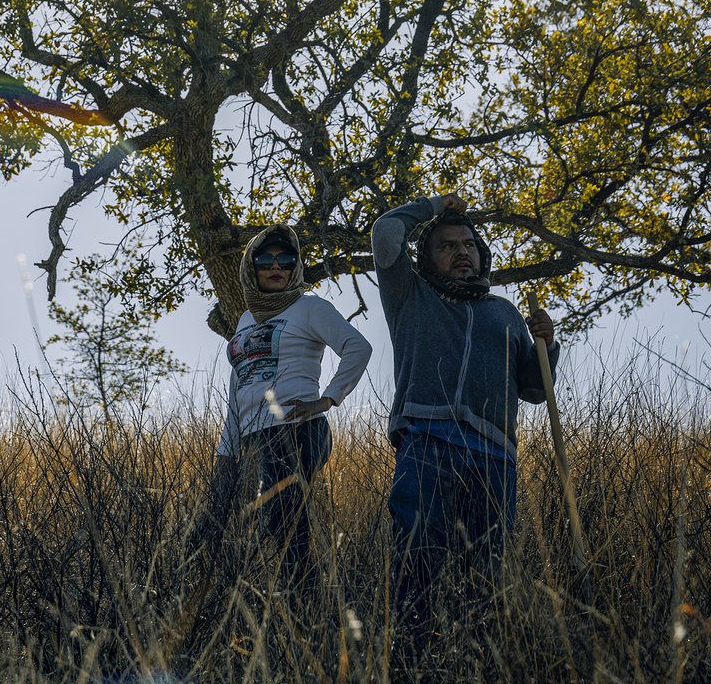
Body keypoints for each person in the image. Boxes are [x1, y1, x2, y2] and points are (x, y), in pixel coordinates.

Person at [371, 194, 557, 640]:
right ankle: (410, 656)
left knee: (486, 573)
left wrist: (547, 346)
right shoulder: (409, 295)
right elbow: (384, 233)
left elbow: (534, 389)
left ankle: (477, 657)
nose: (461, 252)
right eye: (447, 245)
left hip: (495, 456)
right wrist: (434, 206)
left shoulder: (505, 313)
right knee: (419, 556)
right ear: (426, 258)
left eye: (469, 245)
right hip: (428, 441)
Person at [199, 224, 374, 589]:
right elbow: (239, 385)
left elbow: (358, 348)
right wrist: (227, 449)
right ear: (252, 268)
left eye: (286, 259)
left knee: (284, 526)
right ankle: (244, 601)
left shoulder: (308, 307)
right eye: (266, 260)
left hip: (293, 430)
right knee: (221, 524)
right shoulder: (246, 320)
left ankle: (303, 602)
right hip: (247, 439)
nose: (276, 267)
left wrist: (327, 398)